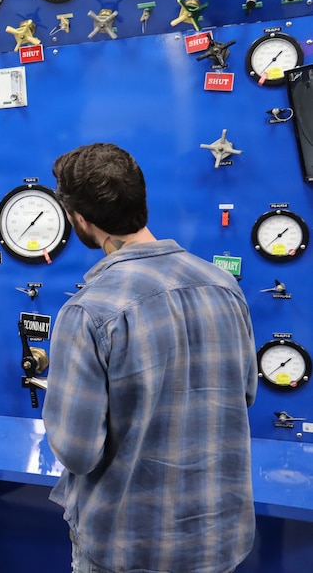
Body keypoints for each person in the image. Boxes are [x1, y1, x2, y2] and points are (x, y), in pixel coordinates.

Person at [44, 143, 256, 573]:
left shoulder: (87, 312)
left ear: (79, 220)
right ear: (140, 201)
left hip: (128, 552)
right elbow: (245, 394)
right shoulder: (223, 285)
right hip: (220, 544)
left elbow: (78, 452)